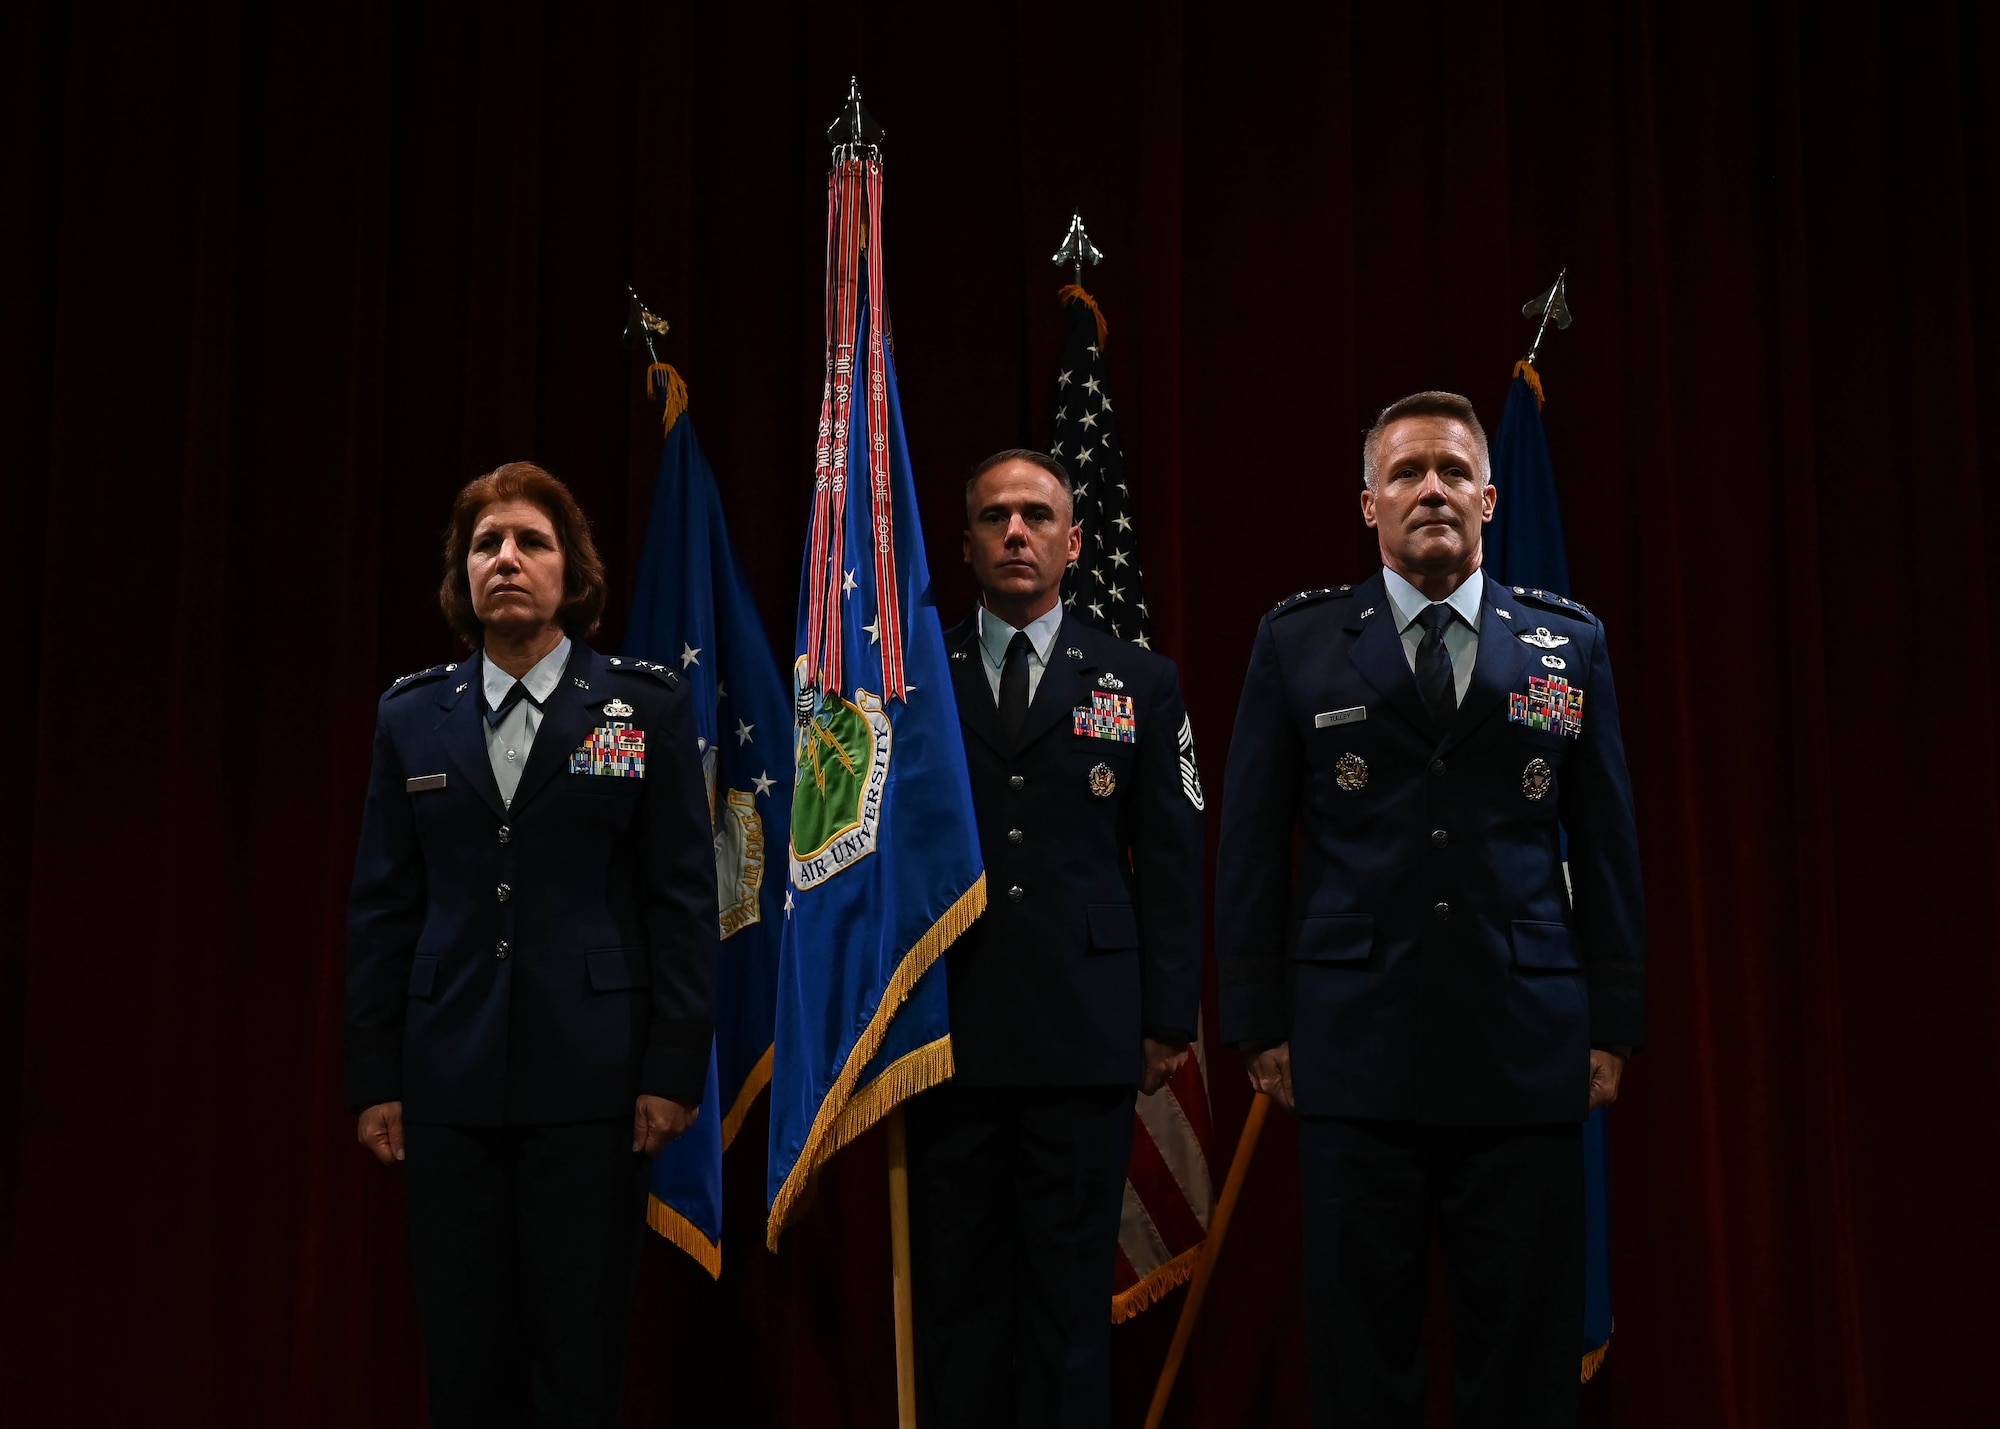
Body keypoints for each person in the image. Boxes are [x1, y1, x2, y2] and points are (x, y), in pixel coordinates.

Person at [1215, 393, 1646, 1427]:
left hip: (1526, 1045)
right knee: (1363, 1360)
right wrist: (1258, 1021)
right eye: (1405, 473)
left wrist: (1613, 1024)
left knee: (1526, 1360)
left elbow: (1607, 849)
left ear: (1489, 498)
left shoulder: (1565, 645)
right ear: (1367, 503)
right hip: (1356, 1049)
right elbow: (1248, 849)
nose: (1431, 490)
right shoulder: (1299, 641)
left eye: (1452, 472)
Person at [345, 462, 717, 1429]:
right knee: (465, 1359)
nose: (505, 558)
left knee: (577, 1354)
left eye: (531, 541)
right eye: (485, 544)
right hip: (445, 1078)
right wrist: (375, 1074)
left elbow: (682, 898)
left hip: (595, 1080)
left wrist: (674, 1066)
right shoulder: (408, 714)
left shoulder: (647, 706)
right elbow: (382, 905)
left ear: (572, 570)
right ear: (462, 574)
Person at [904, 449, 1205, 1429]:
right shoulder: (911, 678)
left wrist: (1166, 1016)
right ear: (963, 543)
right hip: (946, 1036)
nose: (1016, 533)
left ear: (1075, 542)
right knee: (958, 1305)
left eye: (1036, 515)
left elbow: (1169, 856)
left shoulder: (1139, 680)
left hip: (1084, 1035)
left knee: (1068, 1307)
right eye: (994, 517)